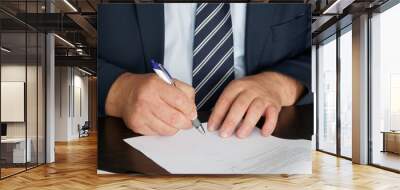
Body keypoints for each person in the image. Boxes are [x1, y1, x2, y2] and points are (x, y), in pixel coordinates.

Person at [98, 3, 311, 138]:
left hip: (267, 142)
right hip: (132, 147)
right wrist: (118, 92)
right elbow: (76, 46)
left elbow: (330, 43)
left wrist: (282, 84)